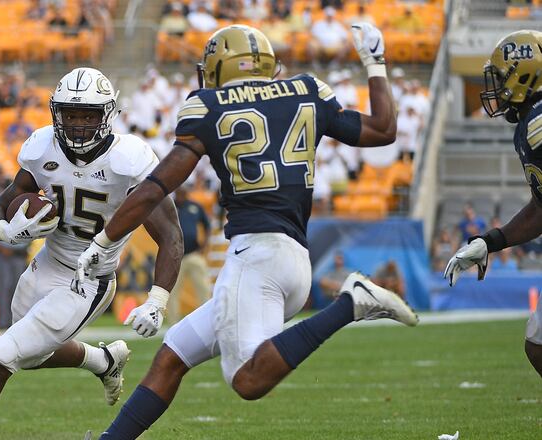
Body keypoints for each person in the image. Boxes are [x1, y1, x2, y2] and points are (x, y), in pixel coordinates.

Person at [76, 24, 419, 439]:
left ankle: (351, 304)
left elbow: (155, 189)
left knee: (247, 380)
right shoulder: (306, 90)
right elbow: (384, 130)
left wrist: (105, 240)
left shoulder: (208, 106)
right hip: (291, 258)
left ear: (220, 68)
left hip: (255, 261)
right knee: (172, 356)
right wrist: (374, 62)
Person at [0, 67, 183, 440]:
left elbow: (170, 234)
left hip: (91, 279)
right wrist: (6, 230)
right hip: (48, 263)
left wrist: (158, 299)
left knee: (3, 355)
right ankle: (102, 360)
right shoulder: (42, 148)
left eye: (88, 115)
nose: (79, 124)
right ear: (57, 113)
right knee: (30, 356)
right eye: (71, 114)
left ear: (107, 115)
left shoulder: (129, 158)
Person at [444, 30, 542, 378]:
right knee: (538, 345)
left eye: (502, 78)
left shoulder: (539, 123)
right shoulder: (532, 122)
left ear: (525, 74)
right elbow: (540, 208)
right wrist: (491, 241)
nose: (497, 89)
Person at [166, 184, 211, 324]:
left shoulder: (195, 207)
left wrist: (204, 246)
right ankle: (173, 324)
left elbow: (207, 225)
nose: (182, 195)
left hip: (193, 254)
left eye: (184, 193)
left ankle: (207, 320)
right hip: (175, 257)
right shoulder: (170, 207)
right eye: (179, 193)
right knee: (172, 291)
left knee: (203, 288)